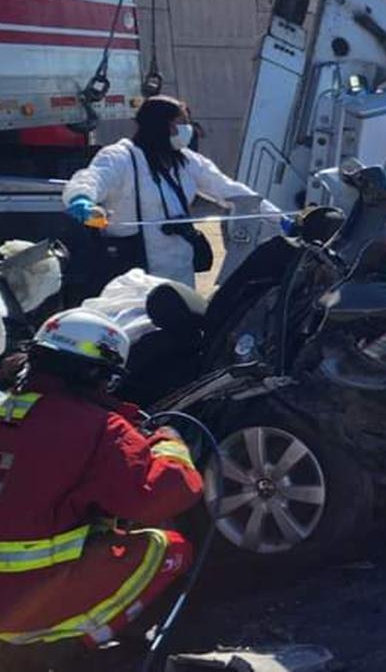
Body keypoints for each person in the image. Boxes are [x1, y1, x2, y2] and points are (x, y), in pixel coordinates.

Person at [0, 309, 201, 653]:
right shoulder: (99, 429)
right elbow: (164, 496)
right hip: (17, 608)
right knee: (170, 549)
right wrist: (169, 445)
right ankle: (70, 647)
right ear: (96, 373)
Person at [62, 95, 277, 292]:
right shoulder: (121, 157)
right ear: (160, 125)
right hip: (133, 273)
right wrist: (82, 198)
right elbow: (93, 178)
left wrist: (279, 218)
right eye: (181, 123)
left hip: (179, 269)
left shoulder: (187, 160)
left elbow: (230, 190)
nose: (187, 129)